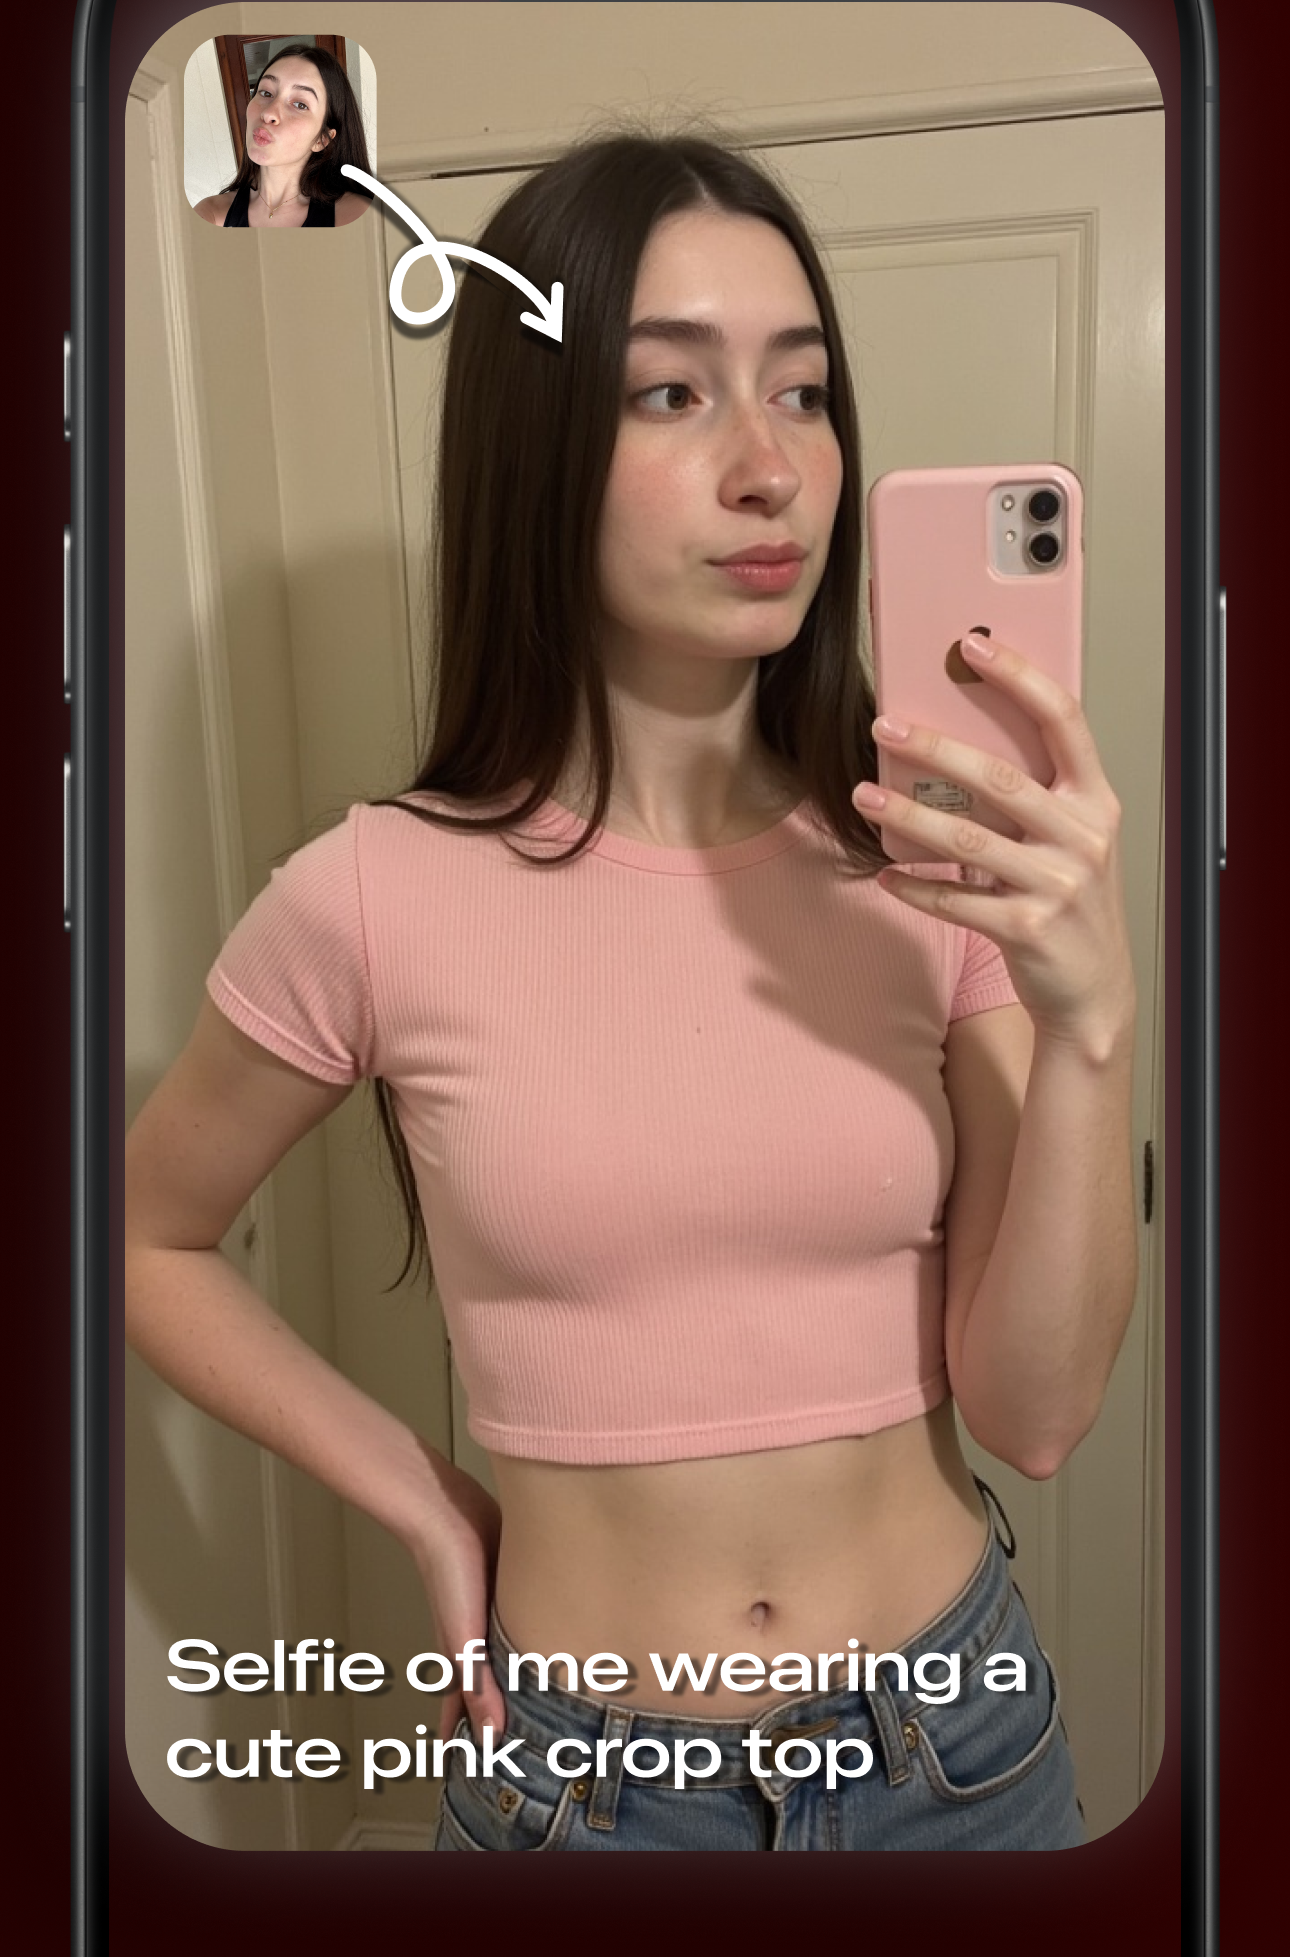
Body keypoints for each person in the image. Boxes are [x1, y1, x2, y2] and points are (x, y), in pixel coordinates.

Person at [126, 133, 1138, 1852]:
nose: (772, 469)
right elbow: (145, 1239)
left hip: (955, 1758)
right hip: (585, 1794)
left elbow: (1035, 1418)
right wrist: (424, 1501)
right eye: (672, 394)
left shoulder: (928, 863)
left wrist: (1092, 1029)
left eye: (803, 394)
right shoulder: (372, 892)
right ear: (535, 443)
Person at [194, 42, 372, 228]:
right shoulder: (211, 214)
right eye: (265, 92)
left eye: (300, 104)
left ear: (322, 139)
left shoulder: (359, 217)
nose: (268, 113)